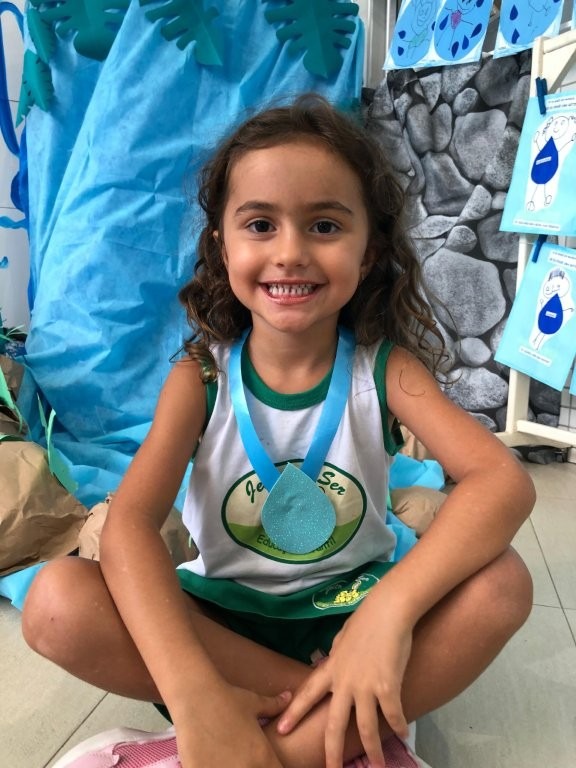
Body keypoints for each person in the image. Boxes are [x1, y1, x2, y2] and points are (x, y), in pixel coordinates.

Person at [23, 94, 535, 768]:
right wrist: (194, 692)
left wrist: (387, 617)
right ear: (222, 245)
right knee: (55, 601)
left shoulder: (385, 371)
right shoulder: (200, 377)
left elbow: (502, 482)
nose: (290, 253)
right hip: (223, 636)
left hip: (353, 623)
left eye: (324, 225)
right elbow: (129, 529)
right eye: (261, 224)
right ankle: (329, 728)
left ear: (370, 250)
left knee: (503, 584)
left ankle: (243, 748)